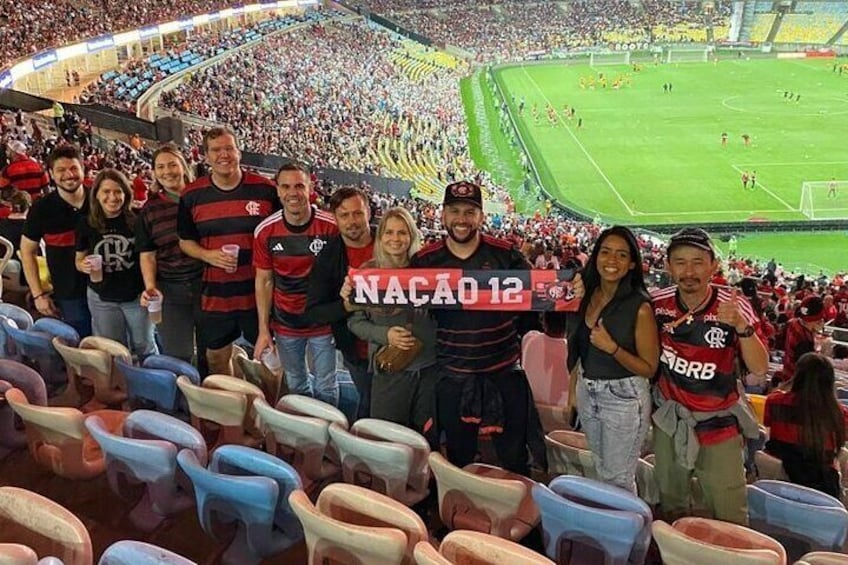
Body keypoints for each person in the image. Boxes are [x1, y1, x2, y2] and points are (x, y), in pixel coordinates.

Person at [411, 180, 560, 475]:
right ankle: (461, 512)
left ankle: (521, 513)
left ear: (481, 216)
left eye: (470, 211)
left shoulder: (507, 255)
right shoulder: (425, 261)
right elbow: (393, 298)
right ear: (443, 214)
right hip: (453, 375)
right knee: (458, 456)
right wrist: (356, 289)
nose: (462, 219)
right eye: (454, 211)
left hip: (503, 372)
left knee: (515, 456)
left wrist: (571, 288)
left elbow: (539, 298)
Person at [651, 228, 769, 525]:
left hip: (719, 425)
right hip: (671, 421)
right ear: (667, 265)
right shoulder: (657, 304)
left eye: (698, 262)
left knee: (730, 515)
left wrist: (742, 327)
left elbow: (759, 368)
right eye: (680, 262)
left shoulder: (734, 306)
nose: (689, 271)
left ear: (713, 265)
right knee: (671, 504)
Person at [177, 127, 278, 374]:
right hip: (216, 296)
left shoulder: (265, 189)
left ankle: (268, 409)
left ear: (239, 152)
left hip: (259, 295)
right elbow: (185, 240)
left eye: (229, 148)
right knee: (217, 359)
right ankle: (233, 407)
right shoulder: (192, 195)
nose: (224, 155)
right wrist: (207, 255)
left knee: (271, 360)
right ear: (206, 156)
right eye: (216, 150)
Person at [568, 226, 659, 492]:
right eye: (606, 252)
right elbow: (579, 348)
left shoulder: (640, 307)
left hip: (624, 398)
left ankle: (626, 532)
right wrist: (572, 389)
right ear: (595, 256)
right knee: (601, 468)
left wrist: (613, 349)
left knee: (617, 480)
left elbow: (649, 368)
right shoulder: (585, 293)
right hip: (588, 389)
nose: (611, 260)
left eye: (621, 255)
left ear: (632, 264)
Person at [344, 207, 438, 442]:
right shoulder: (367, 272)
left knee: (424, 438)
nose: (395, 239)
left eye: (402, 232)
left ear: (412, 236)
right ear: (380, 236)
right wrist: (385, 334)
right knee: (386, 438)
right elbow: (355, 321)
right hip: (390, 370)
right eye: (389, 232)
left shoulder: (428, 270)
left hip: (429, 369)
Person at [253, 163, 339, 405]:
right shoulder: (265, 231)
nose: (293, 192)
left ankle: (329, 437)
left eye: (299, 186)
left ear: (310, 188)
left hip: (323, 324)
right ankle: (306, 438)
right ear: (278, 191)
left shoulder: (331, 227)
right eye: (286, 186)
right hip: (286, 324)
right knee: (296, 381)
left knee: (326, 385)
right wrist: (263, 330)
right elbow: (264, 281)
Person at [305, 187, 375, 418]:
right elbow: (315, 312)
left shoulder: (391, 241)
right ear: (335, 219)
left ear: (369, 213)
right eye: (344, 215)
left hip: (399, 347)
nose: (352, 221)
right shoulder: (328, 257)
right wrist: (347, 306)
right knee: (370, 405)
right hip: (358, 352)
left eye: (357, 213)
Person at [135, 143, 205, 367]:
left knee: (212, 351)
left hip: (207, 285)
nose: (168, 171)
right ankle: (184, 398)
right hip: (171, 289)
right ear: (154, 172)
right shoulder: (150, 210)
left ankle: (213, 397)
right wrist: (150, 286)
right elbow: (147, 254)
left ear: (183, 167)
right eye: (161, 167)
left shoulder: (202, 197)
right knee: (178, 353)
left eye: (172, 164)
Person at [75, 169, 155, 358]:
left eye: (118, 191)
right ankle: (121, 385)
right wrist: (83, 265)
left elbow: (148, 256)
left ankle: (151, 384)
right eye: (106, 192)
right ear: (97, 195)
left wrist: (150, 287)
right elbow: (78, 259)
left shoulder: (137, 219)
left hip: (136, 297)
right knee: (113, 349)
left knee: (144, 345)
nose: (112, 197)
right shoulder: (87, 223)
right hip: (102, 297)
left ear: (126, 194)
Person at [20, 145, 91, 336]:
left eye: (74, 168)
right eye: (61, 170)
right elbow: (27, 251)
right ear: (51, 174)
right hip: (69, 293)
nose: (69, 174)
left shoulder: (100, 199)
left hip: (108, 290)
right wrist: (38, 294)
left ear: (83, 170)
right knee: (82, 347)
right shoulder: (42, 209)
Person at [764, 353, 848, 498]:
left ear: (797, 375)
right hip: (822, 489)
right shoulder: (840, 414)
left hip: (775, 481)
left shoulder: (774, 402)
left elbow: (767, 427)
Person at [779, 295, 824, 384]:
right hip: (796, 383)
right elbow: (807, 368)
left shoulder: (792, 322)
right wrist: (819, 345)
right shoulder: (805, 341)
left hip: (786, 372)